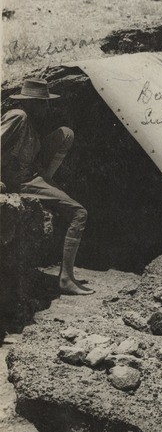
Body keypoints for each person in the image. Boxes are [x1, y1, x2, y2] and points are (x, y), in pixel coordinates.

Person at [1, 78, 92, 294]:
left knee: (65, 133)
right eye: (42, 103)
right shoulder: (18, 116)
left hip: (34, 174)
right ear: (30, 102)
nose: (47, 107)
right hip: (22, 180)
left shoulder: (30, 123)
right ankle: (66, 279)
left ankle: (48, 186)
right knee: (80, 213)